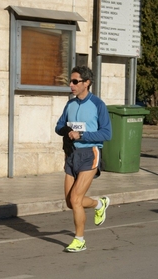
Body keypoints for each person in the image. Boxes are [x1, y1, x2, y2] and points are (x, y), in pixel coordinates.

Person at [55, 65, 112, 253]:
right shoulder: (70, 104)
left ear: (86, 83)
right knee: (70, 202)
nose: (71, 85)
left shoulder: (98, 104)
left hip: (89, 154)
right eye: (70, 81)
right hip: (71, 155)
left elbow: (106, 133)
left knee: (76, 199)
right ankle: (99, 204)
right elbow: (58, 126)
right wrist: (67, 131)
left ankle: (79, 239)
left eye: (75, 82)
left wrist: (82, 135)